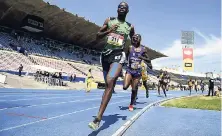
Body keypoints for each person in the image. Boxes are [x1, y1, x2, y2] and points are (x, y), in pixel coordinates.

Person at [88, 2, 135, 130]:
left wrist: (132, 56)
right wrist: (109, 31)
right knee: (109, 85)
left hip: (118, 56)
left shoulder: (130, 27)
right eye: (120, 6)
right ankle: (116, 75)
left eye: (124, 7)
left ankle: (98, 118)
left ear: (127, 11)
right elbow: (98, 36)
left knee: (110, 81)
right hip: (105, 56)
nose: (122, 8)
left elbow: (133, 44)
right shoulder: (109, 20)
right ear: (117, 9)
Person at [122, 34, 151, 111]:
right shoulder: (130, 47)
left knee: (134, 90)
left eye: (136, 38)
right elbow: (127, 56)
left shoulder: (143, 49)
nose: (134, 39)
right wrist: (126, 62)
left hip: (137, 72)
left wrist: (142, 57)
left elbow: (148, 60)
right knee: (125, 87)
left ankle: (131, 104)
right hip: (130, 70)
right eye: (133, 38)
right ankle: (130, 80)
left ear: (139, 39)